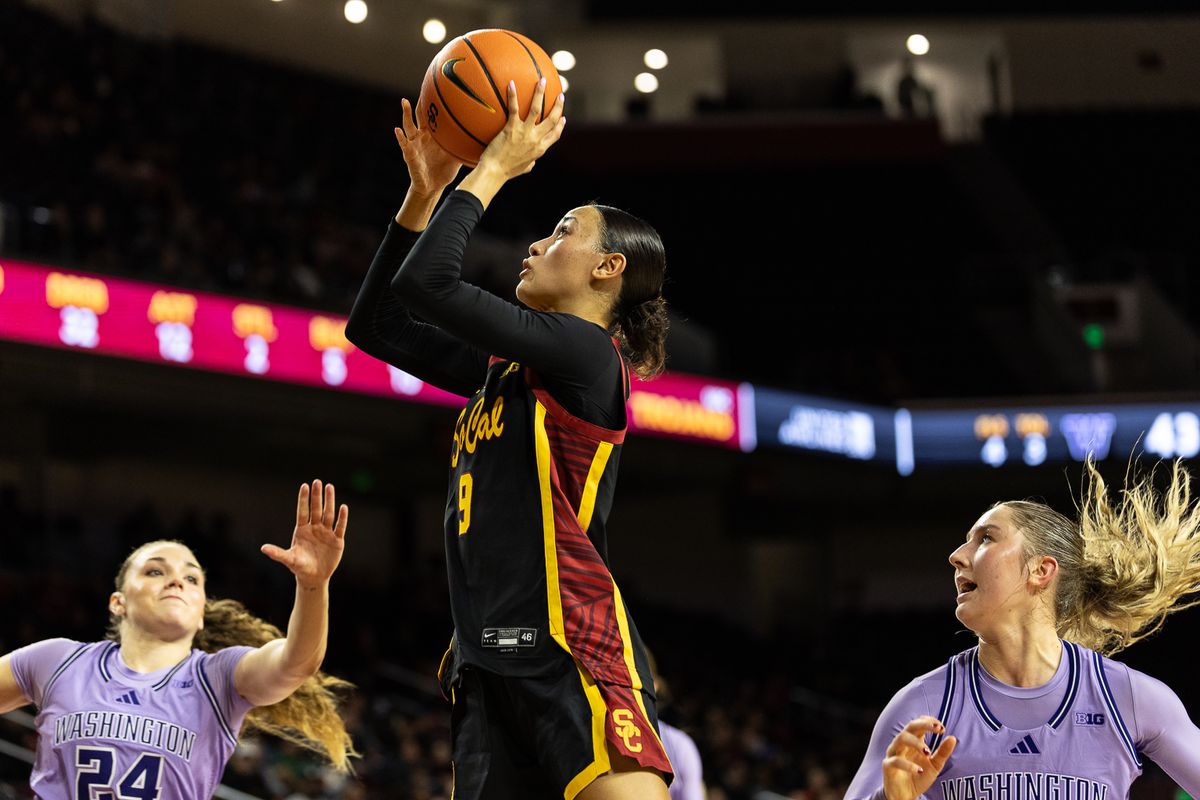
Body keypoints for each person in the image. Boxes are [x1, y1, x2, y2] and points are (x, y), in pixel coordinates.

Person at [346, 77, 673, 800]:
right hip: (485, 662)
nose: (535, 242)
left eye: (562, 231)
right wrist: (423, 194)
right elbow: (376, 326)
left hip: (569, 647)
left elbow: (431, 284)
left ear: (607, 268)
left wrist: (490, 169)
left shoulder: (587, 356)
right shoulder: (506, 370)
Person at [845, 460, 1200, 800]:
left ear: (1041, 570)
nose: (956, 555)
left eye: (985, 539)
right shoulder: (923, 705)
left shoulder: (1126, 698)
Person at [0, 480, 355, 798]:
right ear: (118, 602)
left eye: (191, 579)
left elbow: (296, 663)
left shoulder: (217, 678)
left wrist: (313, 585)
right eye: (156, 571)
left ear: (201, 612)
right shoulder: (57, 661)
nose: (176, 582)